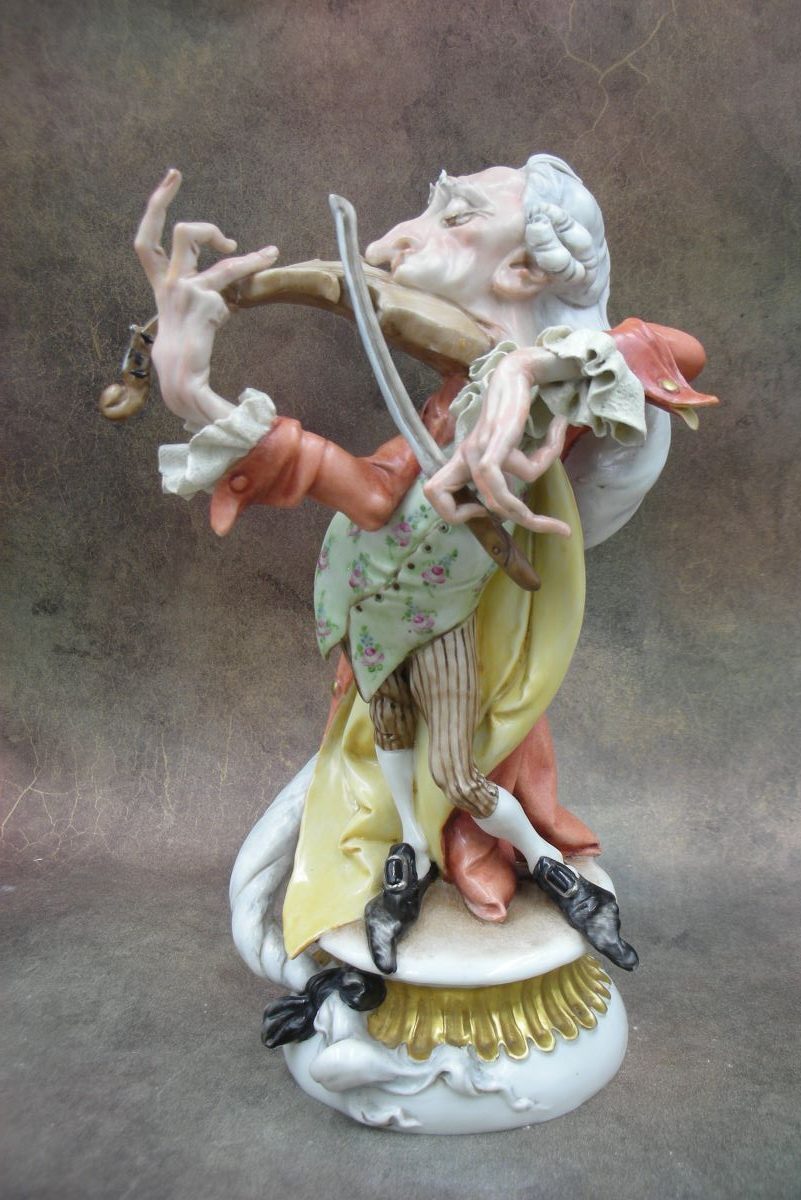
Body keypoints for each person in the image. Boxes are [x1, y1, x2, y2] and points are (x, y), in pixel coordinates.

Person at [135, 156, 713, 976]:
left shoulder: (555, 389)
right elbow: (373, 495)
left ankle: (549, 870)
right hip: (371, 611)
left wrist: (527, 365)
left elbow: (675, 351)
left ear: (523, 269)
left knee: (457, 769)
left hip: (445, 616)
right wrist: (198, 396)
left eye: (455, 214)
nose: (384, 246)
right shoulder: (451, 403)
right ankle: (407, 857)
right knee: (395, 748)